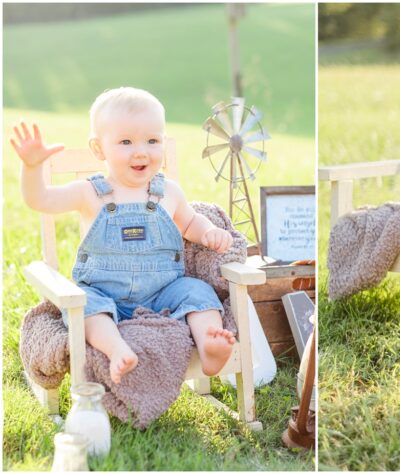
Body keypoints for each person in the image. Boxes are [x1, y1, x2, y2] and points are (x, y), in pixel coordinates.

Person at [10, 87, 236, 384]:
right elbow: (40, 200)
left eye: (152, 140)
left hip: (162, 293)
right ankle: (116, 348)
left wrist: (209, 233)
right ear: (98, 149)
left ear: (163, 143)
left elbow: (190, 222)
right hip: (105, 294)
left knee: (197, 291)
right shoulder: (90, 192)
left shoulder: (168, 191)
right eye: (126, 141)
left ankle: (210, 348)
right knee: (84, 304)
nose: (141, 151)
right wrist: (32, 166)